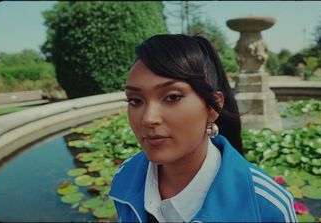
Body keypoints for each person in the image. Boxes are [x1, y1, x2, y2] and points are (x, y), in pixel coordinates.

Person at [109, 34, 297, 223]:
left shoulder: (266, 207)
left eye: (172, 97)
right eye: (135, 100)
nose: (148, 118)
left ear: (213, 106)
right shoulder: (126, 176)